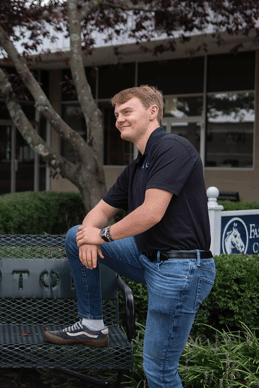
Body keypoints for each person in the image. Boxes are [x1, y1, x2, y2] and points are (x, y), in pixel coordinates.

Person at [44, 85, 216, 388]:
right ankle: (92, 325)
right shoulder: (136, 167)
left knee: (159, 372)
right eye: (116, 114)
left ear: (153, 112)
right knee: (76, 235)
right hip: (148, 259)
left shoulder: (172, 148)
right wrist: (88, 237)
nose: (119, 119)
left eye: (127, 111)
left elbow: (151, 213)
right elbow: (96, 215)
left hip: (182, 269)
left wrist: (103, 235)